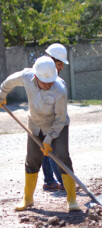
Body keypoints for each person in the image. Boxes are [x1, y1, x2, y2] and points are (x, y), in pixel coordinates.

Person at [0, 56, 80, 212]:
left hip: (58, 126)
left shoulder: (59, 89)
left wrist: (49, 139)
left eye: (51, 81)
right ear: (36, 77)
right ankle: (28, 199)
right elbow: (8, 82)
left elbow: (60, 119)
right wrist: (2, 95)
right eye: (45, 82)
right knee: (32, 159)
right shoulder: (26, 76)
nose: (49, 85)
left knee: (62, 156)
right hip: (35, 125)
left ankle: (71, 200)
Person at [41, 43, 70, 192]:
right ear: (51, 61)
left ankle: (49, 181)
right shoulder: (48, 78)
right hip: (50, 119)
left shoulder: (43, 74)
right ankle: (63, 181)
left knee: (46, 149)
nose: (61, 68)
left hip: (47, 117)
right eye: (59, 64)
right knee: (53, 150)